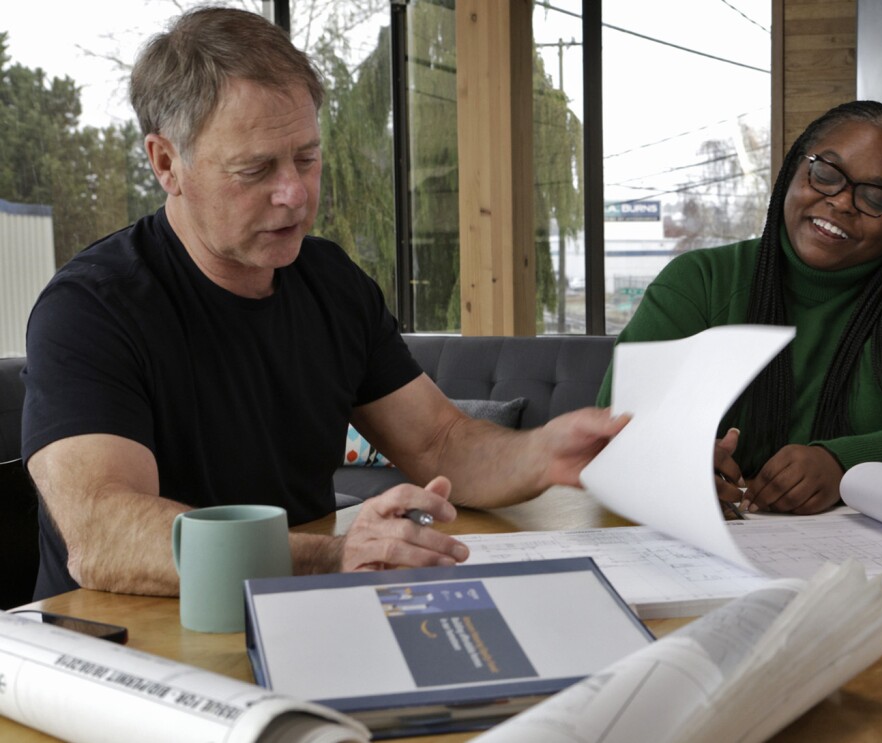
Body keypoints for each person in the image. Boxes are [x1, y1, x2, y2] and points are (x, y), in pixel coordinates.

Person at [20, 7, 625, 601]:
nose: (294, 194)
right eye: (255, 169)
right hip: (121, 642)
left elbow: (440, 443)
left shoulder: (330, 282)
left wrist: (543, 451)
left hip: (292, 608)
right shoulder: (90, 309)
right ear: (166, 163)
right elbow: (107, 535)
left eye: (307, 158)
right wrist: (331, 558)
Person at [597, 101, 882, 515]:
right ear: (794, 170)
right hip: (699, 550)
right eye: (826, 174)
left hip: (871, 564)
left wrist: (843, 464)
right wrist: (675, 467)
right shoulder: (700, 282)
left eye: (876, 196)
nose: (843, 202)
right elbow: (612, 430)